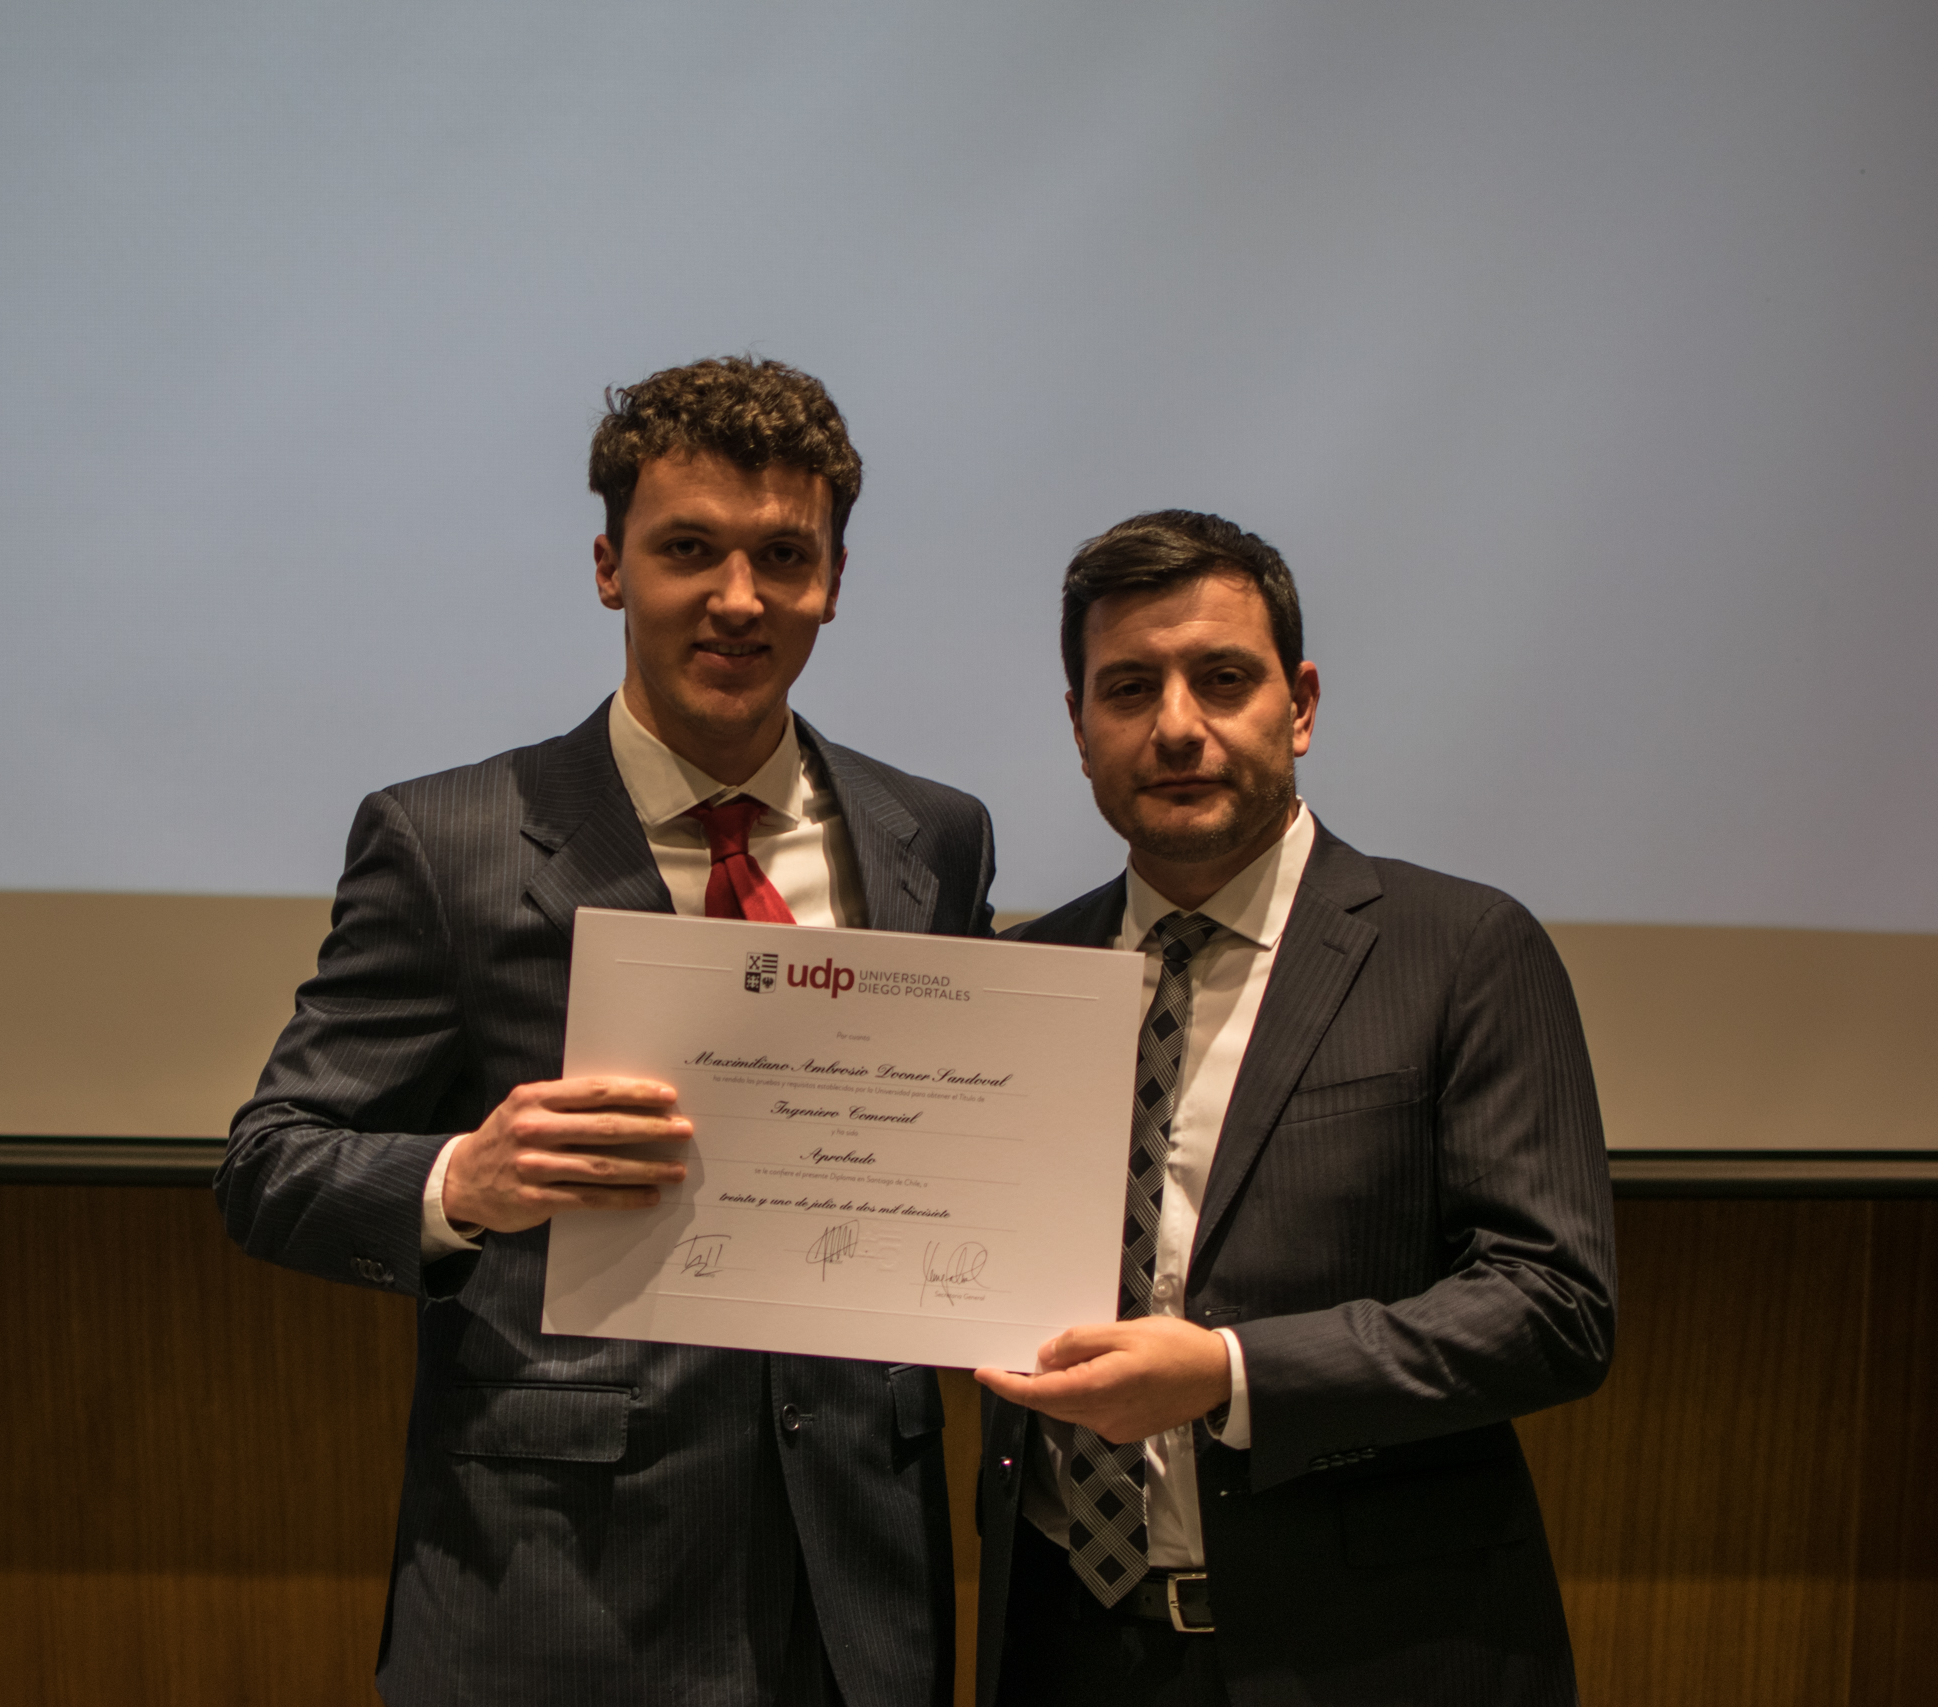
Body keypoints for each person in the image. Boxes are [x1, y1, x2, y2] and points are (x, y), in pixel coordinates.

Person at [218, 357, 994, 1707]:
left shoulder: (932, 835)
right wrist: (463, 1180)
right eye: (688, 549)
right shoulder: (449, 839)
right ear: (607, 568)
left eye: (783, 555)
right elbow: (270, 1163)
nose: (738, 598)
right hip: (558, 1590)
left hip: (856, 1590)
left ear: (833, 580)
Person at [970, 511, 1616, 1706]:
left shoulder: (1460, 949)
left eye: (1222, 679)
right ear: (1078, 727)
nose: (1176, 726)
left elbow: (1553, 1307)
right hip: (1071, 1650)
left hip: (1370, 1656)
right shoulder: (1024, 976)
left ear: (1300, 704)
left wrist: (1230, 1372)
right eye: (1128, 688)